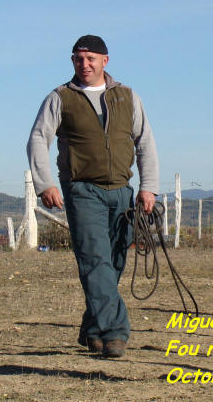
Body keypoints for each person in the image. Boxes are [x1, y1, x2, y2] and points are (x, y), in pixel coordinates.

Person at [27, 35, 159, 358]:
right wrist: (45, 184)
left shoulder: (127, 96)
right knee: (95, 260)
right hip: (82, 190)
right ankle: (115, 331)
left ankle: (92, 328)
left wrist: (148, 186)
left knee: (113, 262)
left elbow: (145, 143)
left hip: (122, 192)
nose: (84, 65)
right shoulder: (60, 97)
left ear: (105, 61)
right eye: (78, 59)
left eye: (90, 59)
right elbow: (37, 139)